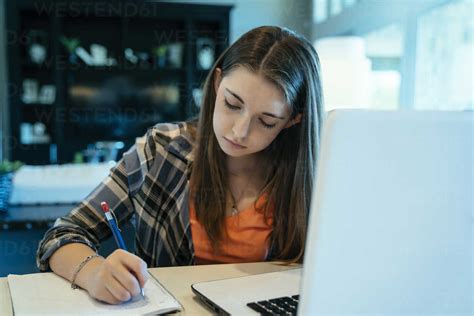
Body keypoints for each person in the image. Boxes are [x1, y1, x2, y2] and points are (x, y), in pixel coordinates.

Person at [36, 26, 324, 305]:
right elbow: (61, 235)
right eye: (232, 104)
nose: (239, 131)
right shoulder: (161, 150)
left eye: (266, 121)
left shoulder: (319, 177)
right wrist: (94, 272)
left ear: (293, 120)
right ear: (217, 83)